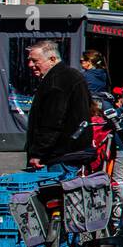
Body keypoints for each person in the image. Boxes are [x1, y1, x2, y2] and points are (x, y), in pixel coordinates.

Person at [24, 40, 94, 175]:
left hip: (59, 155)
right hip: (69, 152)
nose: (30, 65)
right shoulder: (71, 75)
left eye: (35, 60)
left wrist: (38, 152)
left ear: (52, 59)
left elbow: (53, 121)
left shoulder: (57, 81)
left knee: (54, 193)